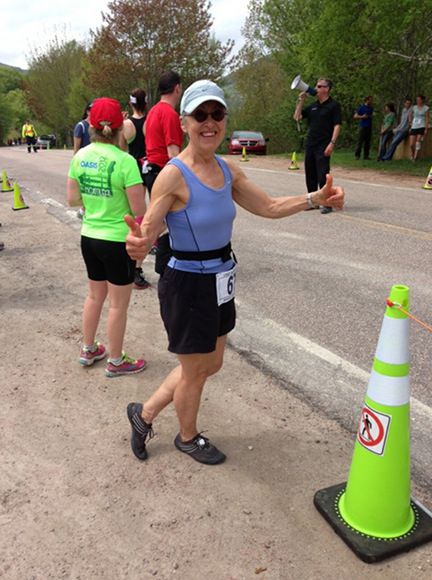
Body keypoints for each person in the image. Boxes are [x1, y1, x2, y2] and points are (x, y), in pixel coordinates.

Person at [124, 80, 344, 465]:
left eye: (217, 114)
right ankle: (187, 437)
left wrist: (314, 199)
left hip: (221, 278)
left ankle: (143, 414)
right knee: (194, 371)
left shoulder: (227, 170)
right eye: (200, 115)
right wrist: (139, 245)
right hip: (188, 283)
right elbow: (151, 226)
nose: (209, 123)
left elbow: (271, 206)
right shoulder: (174, 174)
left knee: (210, 363)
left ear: (224, 119)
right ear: (184, 121)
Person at [66, 97, 147, 378]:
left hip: (89, 236)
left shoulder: (79, 157)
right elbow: (139, 210)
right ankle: (115, 359)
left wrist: (93, 204)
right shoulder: (126, 162)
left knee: (94, 296)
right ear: (120, 127)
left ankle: (88, 349)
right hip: (117, 240)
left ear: (91, 124)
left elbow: (72, 198)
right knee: (118, 304)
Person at [143, 70, 184, 274]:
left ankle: (158, 263)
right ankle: (159, 265)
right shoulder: (169, 114)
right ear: (177, 88)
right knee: (167, 221)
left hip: (151, 168)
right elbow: (173, 152)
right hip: (163, 170)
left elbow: (146, 135)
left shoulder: (153, 112)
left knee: (161, 219)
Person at [293, 78, 342, 215]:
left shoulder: (333, 105)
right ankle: (313, 201)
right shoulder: (313, 106)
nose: (316, 88)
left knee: (323, 174)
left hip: (324, 144)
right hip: (311, 144)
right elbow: (297, 117)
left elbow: (337, 125)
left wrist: (332, 143)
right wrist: (301, 100)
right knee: (310, 173)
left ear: (326, 89)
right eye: (316, 85)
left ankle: (326, 202)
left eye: (319, 86)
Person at [120, 88, 151, 289]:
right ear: (146, 103)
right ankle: (150, 243)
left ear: (131, 103)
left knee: (135, 214)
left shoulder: (126, 124)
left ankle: (134, 264)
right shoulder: (150, 122)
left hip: (133, 169)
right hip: (151, 166)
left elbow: (122, 150)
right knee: (153, 212)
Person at [74, 102, 93, 220]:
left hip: (96, 160)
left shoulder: (98, 126)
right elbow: (76, 148)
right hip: (85, 162)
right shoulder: (81, 126)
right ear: (87, 111)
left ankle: (85, 209)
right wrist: (76, 165)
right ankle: (84, 209)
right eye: (92, 109)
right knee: (86, 189)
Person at [409, 95, 430, 161]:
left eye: (419, 99)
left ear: (422, 100)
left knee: (418, 142)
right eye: (417, 99)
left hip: (422, 126)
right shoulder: (414, 107)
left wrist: (426, 128)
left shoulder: (426, 108)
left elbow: (427, 118)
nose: (418, 101)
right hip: (414, 126)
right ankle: (412, 154)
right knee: (411, 144)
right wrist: (410, 122)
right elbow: (410, 115)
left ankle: (415, 157)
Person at [353, 96, 373, 160]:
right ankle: (357, 155)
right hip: (362, 126)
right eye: (370, 100)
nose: (371, 101)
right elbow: (355, 116)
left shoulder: (371, 108)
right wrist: (362, 116)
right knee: (360, 141)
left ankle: (366, 156)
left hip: (369, 126)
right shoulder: (361, 107)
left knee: (367, 142)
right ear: (366, 100)